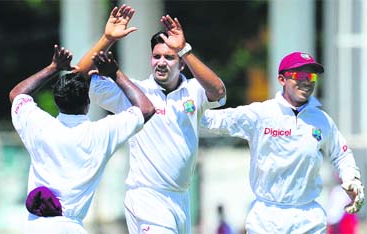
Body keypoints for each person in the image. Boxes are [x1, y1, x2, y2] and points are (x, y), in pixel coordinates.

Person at [77, 4, 226, 233]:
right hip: (147, 196)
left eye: (169, 57)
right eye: (156, 56)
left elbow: (218, 91)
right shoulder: (133, 91)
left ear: (182, 63)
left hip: (181, 199)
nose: (161, 62)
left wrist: (184, 49)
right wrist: (107, 38)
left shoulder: (194, 91)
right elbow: (79, 76)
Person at [201, 51, 365, 233]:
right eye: (298, 75)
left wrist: (352, 178)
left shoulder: (322, 120)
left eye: (310, 76)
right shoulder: (261, 113)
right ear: (281, 79)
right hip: (267, 217)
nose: (306, 81)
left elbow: (341, 154)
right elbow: (213, 120)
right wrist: (183, 106)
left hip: (308, 216)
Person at [10, 45, 155, 233]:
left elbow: (17, 94)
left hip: (35, 226)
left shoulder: (38, 125)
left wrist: (53, 68)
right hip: (71, 227)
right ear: (87, 104)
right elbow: (147, 109)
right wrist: (115, 73)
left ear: (57, 101)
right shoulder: (101, 133)